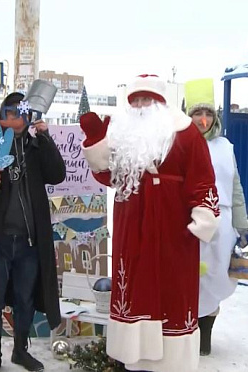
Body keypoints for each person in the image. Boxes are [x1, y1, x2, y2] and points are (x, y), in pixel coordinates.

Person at [79, 74, 220, 372]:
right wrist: (95, 141)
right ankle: (136, 359)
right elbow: (107, 175)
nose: (142, 106)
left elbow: (202, 175)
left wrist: (203, 213)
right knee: (136, 287)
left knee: (173, 289)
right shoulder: (123, 135)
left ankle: (173, 363)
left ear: (160, 103)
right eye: (136, 100)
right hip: (133, 226)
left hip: (174, 226)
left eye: (148, 100)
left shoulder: (185, 133)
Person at [0, 92, 66, 372]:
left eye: (19, 113)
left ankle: (20, 350)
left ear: (28, 115)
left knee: (25, 298)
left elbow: (57, 174)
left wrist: (45, 139)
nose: (14, 119)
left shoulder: (36, 147)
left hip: (30, 240)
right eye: (9, 113)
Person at [184, 78, 248, 356]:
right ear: (188, 115)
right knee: (191, 281)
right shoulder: (179, 144)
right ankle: (186, 333)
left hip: (222, 226)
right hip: (190, 225)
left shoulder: (225, 146)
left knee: (217, 280)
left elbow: (235, 188)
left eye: (208, 113)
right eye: (198, 113)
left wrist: (243, 225)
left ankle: (206, 333)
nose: (203, 119)